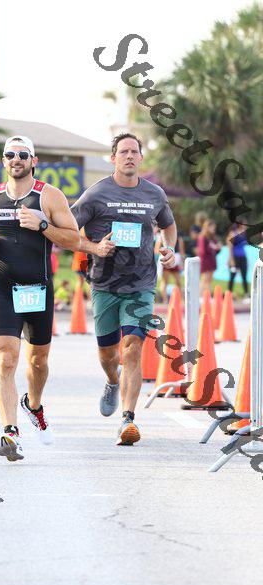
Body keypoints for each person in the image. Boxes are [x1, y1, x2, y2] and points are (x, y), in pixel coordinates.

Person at [0, 135, 79, 462]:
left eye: (22, 154)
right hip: (2, 286)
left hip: (37, 288)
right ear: (3, 161)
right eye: (10, 154)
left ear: (33, 161)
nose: (16, 159)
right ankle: (10, 432)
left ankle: (34, 405)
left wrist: (42, 224)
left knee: (38, 362)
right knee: (6, 358)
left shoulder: (49, 195)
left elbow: (74, 239)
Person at [70, 133, 177, 446]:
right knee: (108, 353)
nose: (129, 156)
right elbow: (67, 229)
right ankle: (111, 381)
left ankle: (128, 419)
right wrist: (94, 247)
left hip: (141, 283)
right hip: (105, 285)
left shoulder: (154, 194)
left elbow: (169, 225)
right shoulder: (96, 193)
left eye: (134, 151)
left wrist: (169, 248)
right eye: (123, 151)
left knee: (132, 347)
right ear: (113, 158)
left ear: (141, 157)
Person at [154, 231, 185, 302]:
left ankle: (180, 299)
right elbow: (156, 250)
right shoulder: (161, 235)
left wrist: (182, 262)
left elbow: (181, 250)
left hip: (175, 260)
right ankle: (165, 300)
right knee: (165, 282)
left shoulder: (178, 236)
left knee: (178, 281)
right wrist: (163, 252)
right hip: (166, 259)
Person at [197, 219, 222, 295]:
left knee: (209, 280)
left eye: (214, 227)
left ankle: (206, 296)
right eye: (211, 227)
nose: (213, 229)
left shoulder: (213, 237)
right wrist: (212, 248)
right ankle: (200, 296)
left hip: (212, 261)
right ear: (207, 227)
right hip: (205, 262)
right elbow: (202, 251)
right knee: (205, 280)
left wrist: (218, 248)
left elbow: (215, 252)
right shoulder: (202, 237)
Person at [227, 223, 249, 299]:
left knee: (244, 276)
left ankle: (246, 294)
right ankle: (229, 294)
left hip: (243, 257)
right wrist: (231, 260)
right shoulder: (233, 233)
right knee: (232, 276)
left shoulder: (244, 233)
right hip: (235, 257)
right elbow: (229, 247)